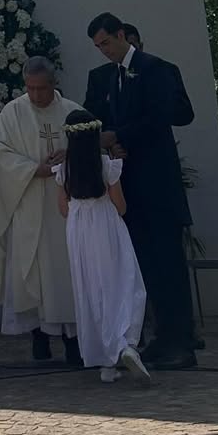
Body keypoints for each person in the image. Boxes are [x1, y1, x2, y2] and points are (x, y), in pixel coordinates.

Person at [84, 12, 197, 369]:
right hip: (128, 187)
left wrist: (120, 135)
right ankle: (160, 339)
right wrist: (107, 144)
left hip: (157, 184)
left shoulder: (154, 68)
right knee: (145, 268)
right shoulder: (106, 78)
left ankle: (181, 343)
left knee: (169, 266)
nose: (103, 50)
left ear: (122, 35)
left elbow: (164, 115)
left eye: (106, 42)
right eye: (98, 46)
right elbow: (98, 117)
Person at [0, 57, 81, 364]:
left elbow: (91, 149)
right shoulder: (13, 113)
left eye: (42, 88)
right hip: (28, 203)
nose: (36, 95)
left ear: (54, 83)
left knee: (66, 273)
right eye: (30, 88)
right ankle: (38, 336)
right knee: (34, 271)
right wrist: (33, 170)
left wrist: (71, 155)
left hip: (65, 207)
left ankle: (73, 342)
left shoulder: (71, 112)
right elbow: (1, 154)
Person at [55, 109, 150, 386]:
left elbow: (62, 208)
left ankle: (106, 364)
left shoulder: (63, 169)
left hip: (79, 232)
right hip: (107, 227)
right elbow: (120, 206)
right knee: (123, 283)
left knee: (91, 290)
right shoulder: (106, 165)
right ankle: (125, 344)